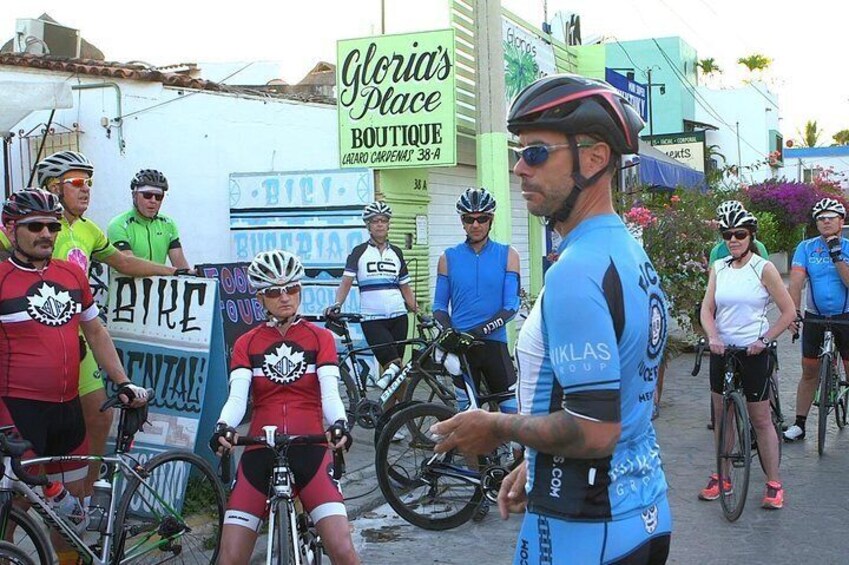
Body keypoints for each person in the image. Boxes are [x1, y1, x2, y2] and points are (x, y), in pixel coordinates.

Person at [432, 75, 671, 564]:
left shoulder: (576, 271)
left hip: (582, 526)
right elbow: (622, 397)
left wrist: (497, 426)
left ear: (595, 157)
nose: (519, 167)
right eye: (519, 153)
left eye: (536, 152)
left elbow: (594, 429)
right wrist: (536, 460)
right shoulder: (626, 252)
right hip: (642, 512)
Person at [0, 150, 192, 492]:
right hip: (28, 346)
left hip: (76, 339)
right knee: (25, 467)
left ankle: (84, 498)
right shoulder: (28, 227)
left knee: (101, 414)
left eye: (88, 182)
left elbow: (122, 262)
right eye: (76, 183)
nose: (86, 189)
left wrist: (173, 271)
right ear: (53, 187)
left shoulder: (89, 231)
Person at [0, 188, 148, 565]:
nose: (46, 234)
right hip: (19, 413)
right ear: (10, 228)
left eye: (52, 226)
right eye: (35, 226)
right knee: (10, 507)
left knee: (70, 518)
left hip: (68, 411)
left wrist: (123, 380)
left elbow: (96, 332)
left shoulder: (70, 274)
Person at [210, 250, 359, 565]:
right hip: (259, 452)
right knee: (230, 558)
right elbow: (238, 398)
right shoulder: (247, 343)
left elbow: (330, 394)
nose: (285, 297)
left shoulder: (320, 338)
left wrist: (340, 424)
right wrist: (223, 426)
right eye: (275, 292)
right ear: (261, 297)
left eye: (292, 289)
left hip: (311, 448)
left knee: (344, 552)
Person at [699, 207, 795, 509]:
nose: (733, 240)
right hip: (722, 351)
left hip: (753, 351)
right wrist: (712, 336)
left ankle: (774, 483)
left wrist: (763, 340)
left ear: (751, 236)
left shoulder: (763, 267)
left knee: (761, 418)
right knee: (721, 417)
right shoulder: (719, 267)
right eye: (727, 235)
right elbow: (706, 309)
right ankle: (722, 476)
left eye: (739, 234)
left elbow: (789, 311)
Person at [432, 187, 520, 414]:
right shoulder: (447, 257)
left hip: (494, 346)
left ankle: (510, 452)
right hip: (462, 349)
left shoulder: (509, 254)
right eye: (469, 219)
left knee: (513, 416)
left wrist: (478, 332)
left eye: (482, 218)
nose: (476, 225)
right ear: (462, 222)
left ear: (491, 220)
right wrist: (449, 331)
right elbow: (439, 307)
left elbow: (511, 306)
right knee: (467, 421)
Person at [325, 201, 418, 390]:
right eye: (375, 221)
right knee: (393, 365)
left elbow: (405, 288)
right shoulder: (359, 252)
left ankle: (391, 414)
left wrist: (419, 311)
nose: (380, 224)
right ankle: (398, 410)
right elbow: (346, 283)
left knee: (395, 373)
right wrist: (337, 304)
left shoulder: (397, 253)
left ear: (388, 224)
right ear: (368, 225)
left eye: (383, 220)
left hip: (399, 317)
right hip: (372, 319)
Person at [783, 197, 849, 442]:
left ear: (841, 221)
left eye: (831, 217)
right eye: (821, 218)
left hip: (846, 316)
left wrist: (837, 256)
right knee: (809, 371)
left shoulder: (848, 247)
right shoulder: (806, 248)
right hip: (815, 317)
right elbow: (797, 282)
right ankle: (800, 424)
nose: (825, 222)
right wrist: (793, 311)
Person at [107, 169, 189, 267]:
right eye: (147, 195)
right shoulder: (118, 224)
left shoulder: (168, 224)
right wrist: (168, 271)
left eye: (158, 197)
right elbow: (129, 265)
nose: (153, 200)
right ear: (134, 195)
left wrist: (197, 274)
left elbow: (181, 266)